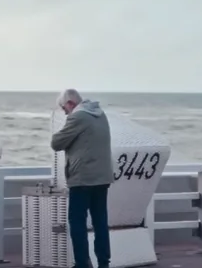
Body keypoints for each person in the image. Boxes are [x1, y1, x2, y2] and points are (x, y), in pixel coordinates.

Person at [50, 88, 114, 268]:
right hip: (102, 178)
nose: (65, 113)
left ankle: (82, 263)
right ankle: (103, 263)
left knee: (77, 222)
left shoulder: (78, 116)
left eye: (64, 108)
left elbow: (56, 143)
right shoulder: (100, 114)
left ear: (70, 103)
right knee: (100, 222)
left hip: (83, 179)